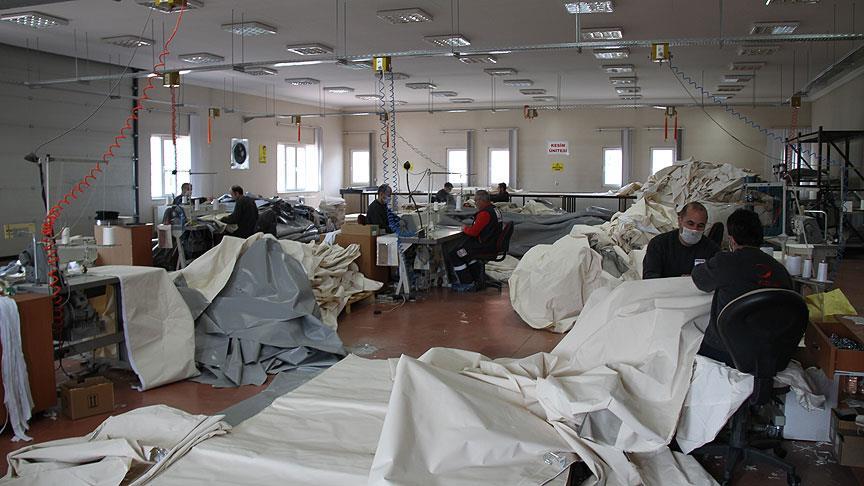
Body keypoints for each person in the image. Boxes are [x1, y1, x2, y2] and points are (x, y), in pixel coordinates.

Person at [692, 208, 793, 366]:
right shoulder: (780, 270)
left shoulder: (726, 262)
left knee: (690, 341)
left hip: (727, 351)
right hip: (770, 351)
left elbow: (699, 279)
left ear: (732, 240)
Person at [642, 202, 721, 279]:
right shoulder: (658, 244)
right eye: (690, 224)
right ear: (680, 221)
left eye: (700, 226)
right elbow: (650, 278)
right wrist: (679, 282)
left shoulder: (712, 249)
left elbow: (717, 278)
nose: (695, 229)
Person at [448, 190, 503, 292]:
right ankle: (476, 278)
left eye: (476, 201)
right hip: (492, 244)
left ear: (481, 200)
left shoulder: (485, 213)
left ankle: (467, 284)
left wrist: (464, 228)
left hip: (484, 246)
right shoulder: (495, 210)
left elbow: (473, 232)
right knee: (466, 252)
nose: (476, 203)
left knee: (455, 254)